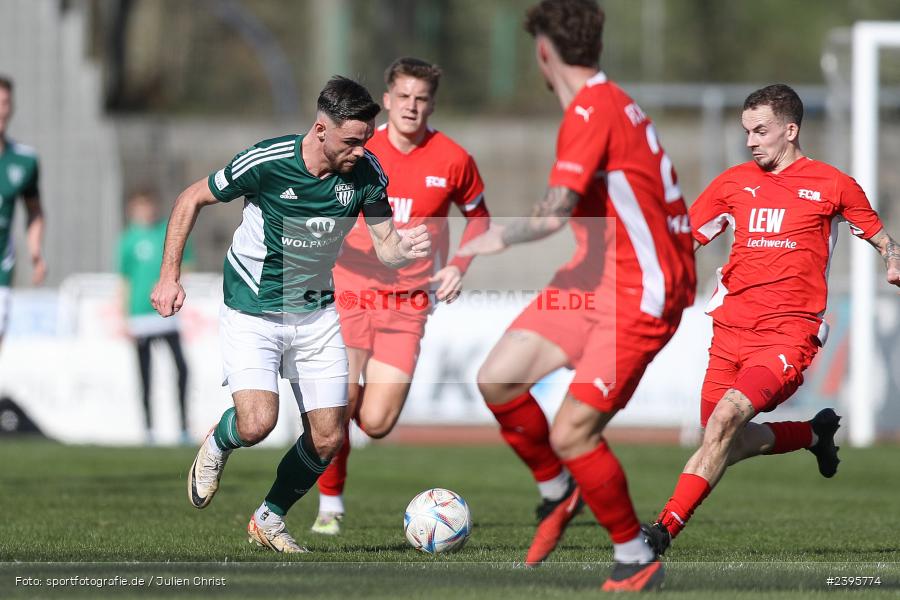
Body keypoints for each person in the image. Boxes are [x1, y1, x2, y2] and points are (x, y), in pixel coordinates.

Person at [457, 0, 695, 591]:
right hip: (596, 278)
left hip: (643, 291)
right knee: (499, 378)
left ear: (544, 52)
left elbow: (554, 213)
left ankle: (635, 556)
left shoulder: (593, 111)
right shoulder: (607, 104)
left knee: (572, 432)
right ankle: (557, 489)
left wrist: (491, 238)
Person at [150, 76, 430, 553]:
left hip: (316, 314)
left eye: (366, 140)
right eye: (351, 141)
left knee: (328, 437)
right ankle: (219, 443)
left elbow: (385, 244)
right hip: (254, 310)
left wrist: (400, 250)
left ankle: (269, 519)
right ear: (321, 129)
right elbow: (190, 198)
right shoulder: (268, 161)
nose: (361, 151)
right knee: (257, 423)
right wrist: (169, 275)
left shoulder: (366, 173)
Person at [642, 83, 900, 558]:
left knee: (723, 423)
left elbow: (880, 234)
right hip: (729, 332)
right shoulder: (732, 183)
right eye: (746, 132)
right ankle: (813, 433)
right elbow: (686, 241)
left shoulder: (833, 184)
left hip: (788, 333)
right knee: (724, 441)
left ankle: (660, 532)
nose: (750, 142)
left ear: (790, 129)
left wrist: (892, 258)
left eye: (760, 131)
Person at [311, 57, 491, 536]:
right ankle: (330, 502)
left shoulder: (454, 159)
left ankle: (346, 412)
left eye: (422, 98)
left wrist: (458, 264)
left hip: (409, 300)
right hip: (350, 288)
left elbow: (480, 219)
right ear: (387, 100)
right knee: (339, 398)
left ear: (432, 103)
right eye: (403, 97)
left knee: (376, 421)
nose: (412, 106)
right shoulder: (359, 147)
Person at [118, 190, 192, 444]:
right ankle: (148, 429)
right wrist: (124, 315)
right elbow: (124, 281)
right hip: (140, 316)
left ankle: (183, 427)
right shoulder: (129, 239)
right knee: (145, 374)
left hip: (166, 314)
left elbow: (187, 265)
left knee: (182, 369)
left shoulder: (165, 232)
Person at [0, 76, 46, 344]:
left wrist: (36, 250)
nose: (0, 110)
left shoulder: (25, 161)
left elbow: (35, 211)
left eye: (5, 102)